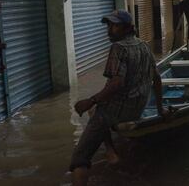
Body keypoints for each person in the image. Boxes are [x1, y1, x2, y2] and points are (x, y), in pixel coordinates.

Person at [70, 10, 167, 186]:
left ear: (127, 28)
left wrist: (89, 100)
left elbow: (116, 84)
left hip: (119, 111)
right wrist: (160, 109)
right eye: (109, 25)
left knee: (79, 158)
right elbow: (157, 79)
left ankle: (109, 152)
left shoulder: (118, 48)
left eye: (114, 26)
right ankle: (111, 152)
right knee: (97, 110)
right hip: (138, 107)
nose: (109, 29)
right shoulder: (144, 45)